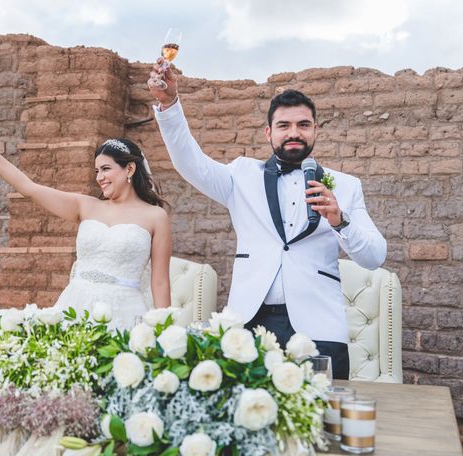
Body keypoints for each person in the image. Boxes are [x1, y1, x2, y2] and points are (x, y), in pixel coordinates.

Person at [148, 65, 387, 379]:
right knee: (250, 418)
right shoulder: (241, 175)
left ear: (316, 130)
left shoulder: (345, 186)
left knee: (323, 421)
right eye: (283, 125)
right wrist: (169, 105)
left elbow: (374, 257)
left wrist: (340, 221)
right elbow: (190, 163)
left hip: (320, 325)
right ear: (268, 132)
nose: (293, 133)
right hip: (249, 323)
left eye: (303, 124)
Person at [0, 125, 172, 331]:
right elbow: (29, 188)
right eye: (97, 170)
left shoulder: (155, 217)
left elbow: (160, 282)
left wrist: (165, 332)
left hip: (125, 310)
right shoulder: (86, 206)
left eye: (106, 169)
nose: (99, 177)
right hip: (76, 303)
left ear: (130, 169)